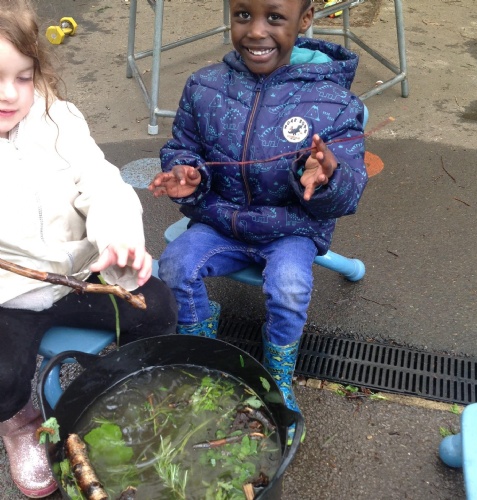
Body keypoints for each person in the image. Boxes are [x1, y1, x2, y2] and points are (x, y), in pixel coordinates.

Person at [149, 0, 367, 444]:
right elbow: (182, 146)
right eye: (243, 15)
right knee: (174, 264)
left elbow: (349, 191)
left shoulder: (336, 102)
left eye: (275, 17)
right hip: (220, 220)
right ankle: (204, 355)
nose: (255, 31)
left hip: (291, 228)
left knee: (289, 285)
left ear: (306, 19)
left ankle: (276, 375)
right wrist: (187, 173)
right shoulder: (204, 86)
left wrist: (327, 176)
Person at [0, 0, 177, 497]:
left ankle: (132, 389)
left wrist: (118, 237)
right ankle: (19, 421)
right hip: (8, 293)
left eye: (23, 77)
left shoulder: (59, 120)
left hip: (81, 271)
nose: (9, 94)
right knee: (3, 378)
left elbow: (101, 183)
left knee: (159, 307)